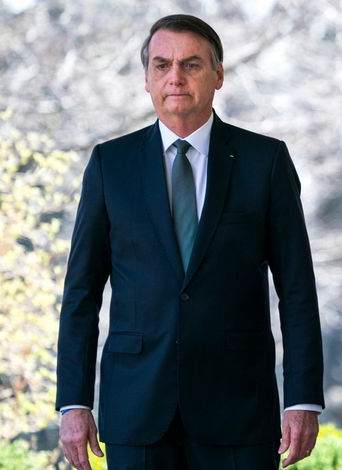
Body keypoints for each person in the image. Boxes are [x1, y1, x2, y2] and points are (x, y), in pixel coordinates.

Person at [56, 14, 324, 470]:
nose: (175, 77)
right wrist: (73, 402)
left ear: (219, 74)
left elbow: (297, 290)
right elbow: (81, 294)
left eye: (191, 65)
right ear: (146, 79)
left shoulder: (266, 161)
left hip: (239, 409)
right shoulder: (109, 165)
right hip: (136, 409)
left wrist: (303, 399)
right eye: (161, 65)